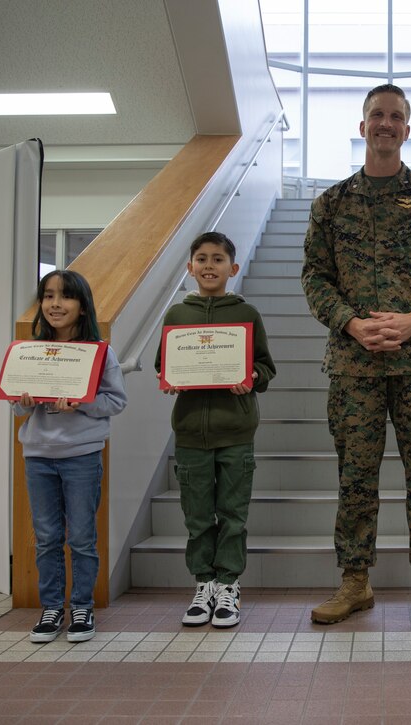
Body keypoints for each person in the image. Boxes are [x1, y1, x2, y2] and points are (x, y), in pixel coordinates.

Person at [301, 84, 411, 629]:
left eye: (395, 116)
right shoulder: (330, 205)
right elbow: (315, 277)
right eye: (377, 114)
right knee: (355, 477)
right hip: (355, 366)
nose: (385, 123)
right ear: (363, 126)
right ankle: (355, 582)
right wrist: (351, 322)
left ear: (406, 128)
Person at [155, 232, 276, 628]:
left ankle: (228, 586)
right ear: (190, 268)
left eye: (218, 259)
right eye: (202, 259)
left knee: (233, 514)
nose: (209, 265)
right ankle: (203, 584)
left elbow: (265, 367)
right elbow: (163, 364)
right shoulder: (176, 316)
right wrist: (169, 376)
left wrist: (252, 376)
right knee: (197, 517)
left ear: (233, 268)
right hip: (190, 432)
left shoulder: (247, 314)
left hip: (236, 431)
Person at [13, 270, 128, 644]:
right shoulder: (29, 351)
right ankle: (51, 608)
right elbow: (15, 406)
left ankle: (81, 607)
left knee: (81, 537)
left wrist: (83, 403)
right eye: (48, 297)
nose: (55, 304)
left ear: (82, 307)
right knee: (46, 537)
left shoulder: (99, 352)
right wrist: (23, 400)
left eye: (65, 297)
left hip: (81, 456)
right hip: (38, 455)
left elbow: (116, 401)